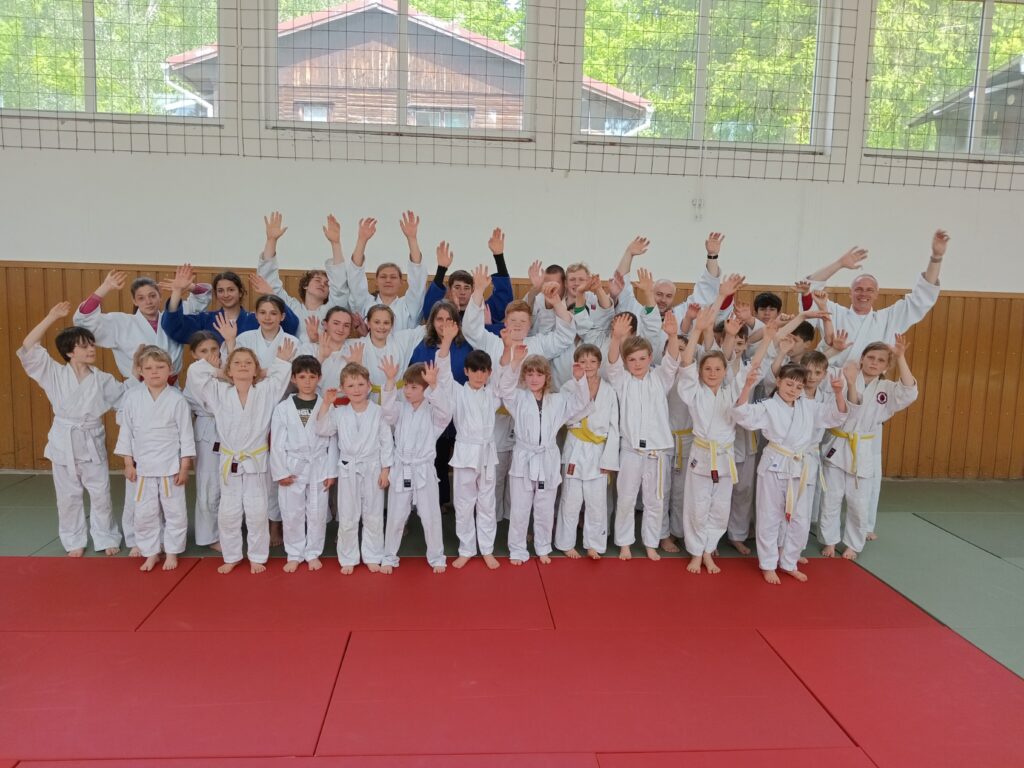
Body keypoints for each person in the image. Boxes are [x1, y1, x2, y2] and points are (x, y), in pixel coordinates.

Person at [185, 316, 295, 574]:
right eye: (237, 363)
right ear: (229, 370)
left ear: (256, 370)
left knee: (257, 511)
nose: (243, 366)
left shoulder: (266, 392)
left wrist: (275, 365)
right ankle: (232, 555)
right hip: (230, 459)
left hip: (256, 460)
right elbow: (194, 373)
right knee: (229, 512)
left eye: (248, 363)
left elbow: (281, 374)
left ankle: (257, 556)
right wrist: (218, 371)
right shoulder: (218, 392)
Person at [17, 302, 127, 556]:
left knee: (100, 493)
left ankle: (106, 536)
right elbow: (28, 345)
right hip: (64, 440)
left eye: (92, 344)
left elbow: (124, 402)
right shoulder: (53, 374)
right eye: (84, 346)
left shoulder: (103, 379)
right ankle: (73, 539)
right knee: (68, 496)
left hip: (91, 439)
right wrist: (51, 316)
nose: (91, 349)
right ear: (69, 352)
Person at [733, 360, 849, 584]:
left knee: (800, 520)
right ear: (778, 381)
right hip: (774, 464)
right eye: (789, 384)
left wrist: (838, 393)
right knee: (769, 517)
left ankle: (789, 562)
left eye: (798, 386)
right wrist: (747, 386)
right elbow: (742, 414)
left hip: (800, 466)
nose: (793, 390)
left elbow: (836, 416)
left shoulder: (809, 406)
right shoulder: (768, 406)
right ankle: (768, 564)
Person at [818, 336, 919, 559]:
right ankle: (830, 541)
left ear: (887, 366)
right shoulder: (843, 375)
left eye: (881, 360)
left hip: (862, 447)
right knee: (831, 497)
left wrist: (901, 357)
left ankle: (853, 543)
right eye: (871, 357)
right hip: (837, 443)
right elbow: (815, 373)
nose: (874, 363)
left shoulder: (887, 389)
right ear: (861, 359)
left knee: (859, 501)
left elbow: (909, 391)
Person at [496, 342, 592, 565]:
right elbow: (504, 389)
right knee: (520, 508)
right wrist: (516, 362)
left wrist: (580, 379)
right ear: (524, 376)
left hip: (547, 458)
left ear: (547, 377)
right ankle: (517, 549)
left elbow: (581, 402)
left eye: (539, 374)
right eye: (529, 374)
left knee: (545, 507)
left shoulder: (558, 401)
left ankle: (542, 547)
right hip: (524, 457)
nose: (534, 378)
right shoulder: (517, 398)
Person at [677, 288, 751, 574]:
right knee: (697, 506)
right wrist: (697, 329)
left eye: (717, 369)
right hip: (701, 455)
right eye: (707, 368)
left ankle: (709, 550)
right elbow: (686, 363)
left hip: (725, 457)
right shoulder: (694, 392)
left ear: (724, 372)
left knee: (720, 507)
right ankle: (696, 552)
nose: (712, 372)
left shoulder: (731, 391)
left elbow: (743, 369)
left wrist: (740, 337)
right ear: (701, 371)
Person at [606, 309, 681, 561]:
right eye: (632, 360)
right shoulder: (622, 381)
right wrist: (616, 338)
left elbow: (672, 362)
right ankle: (625, 543)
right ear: (626, 362)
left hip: (657, 451)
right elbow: (612, 365)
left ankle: (650, 543)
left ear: (650, 357)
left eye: (641, 358)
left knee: (655, 501)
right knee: (626, 499)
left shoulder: (660, 379)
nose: (637, 364)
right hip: (630, 450)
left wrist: (673, 336)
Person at [114, 346, 196, 572]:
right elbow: (126, 432)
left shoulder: (177, 399)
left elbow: (186, 435)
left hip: (171, 467)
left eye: (160, 367)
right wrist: (128, 463)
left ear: (170, 369)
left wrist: (185, 466)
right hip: (143, 467)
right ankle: (150, 552)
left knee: (175, 512)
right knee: (144, 513)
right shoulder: (132, 397)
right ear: (140, 371)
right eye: (148, 368)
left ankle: (171, 551)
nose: (154, 372)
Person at [317, 352, 394, 574]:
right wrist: (326, 403)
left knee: (373, 514)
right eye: (351, 385)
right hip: (348, 468)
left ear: (369, 386)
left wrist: (386, 469)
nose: (357, 389)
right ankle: (348, 556)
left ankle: (373, 555)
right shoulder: (339, 412)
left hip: (372, 467)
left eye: (361, 384)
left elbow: (386, 442)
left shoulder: (378, 412)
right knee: (348, 515)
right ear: (343, 388)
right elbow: (322, 429)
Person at [435, 324, 501, 570]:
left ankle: (487, 549)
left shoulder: (493, 394)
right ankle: (466, 549)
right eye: (474, 370)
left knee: (487, 504)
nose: (479, 375)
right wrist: (447, 341)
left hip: (486, 453)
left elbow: (507, 379)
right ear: (466, 371)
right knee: (464, 504)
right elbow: (443, 372)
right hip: (464, 453)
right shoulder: (456, 392)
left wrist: (508, 350)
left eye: (484, 371)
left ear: (489, 373)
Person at [380, 357, 452, 574]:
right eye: (406, 386)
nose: (407, 392)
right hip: (402, 468)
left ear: (425, 390)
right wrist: (390, 381)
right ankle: (389, 556)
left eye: (414, 388)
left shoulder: (433, 412)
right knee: (395, 516)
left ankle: (437, 556)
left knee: (430, 516)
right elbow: (387, 413)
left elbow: (446, 414)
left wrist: (434, 385)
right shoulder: (400, 409)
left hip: (423, 469)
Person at [73, 269, 211, 380]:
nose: (148, 302)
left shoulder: (174, 317)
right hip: (137, 389)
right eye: (141, 298)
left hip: (171, 391)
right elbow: (85, 321)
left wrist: (189, 287)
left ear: (160, 296)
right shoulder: (120, 323)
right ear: (134, 301)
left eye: (152, 296)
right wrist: (105, 287)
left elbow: (201, 298)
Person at [270, 356, 338, 572]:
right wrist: (280, 471)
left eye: (312, 377)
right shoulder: (283, 408)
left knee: (317, 512)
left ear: (319, 378)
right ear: (293, 379)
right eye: (302, 377)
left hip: (319, 463)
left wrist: (331, 472)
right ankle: (294, 553)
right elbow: (277, 443)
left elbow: (332, 440)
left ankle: (313, 552)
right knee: (292, 512)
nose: (307, 381)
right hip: (292, 464)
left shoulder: (326, 404)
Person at [555, 344, 620, 559]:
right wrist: (583, 394)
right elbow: (566, 417)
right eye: (583, 361)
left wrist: (609, 459)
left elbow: (613, 426)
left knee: (597, 501)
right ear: (576, 364)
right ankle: (566, 542)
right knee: (570, 499)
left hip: (598, 449)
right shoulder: (568, 387)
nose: (588, 365)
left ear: (599, 364)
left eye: (592, 361)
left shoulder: (609, 390)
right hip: (575, 446)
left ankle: (594, 544)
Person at [255, 211, 351, 342]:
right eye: (317, 280)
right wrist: (271, 240)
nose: (322, 284)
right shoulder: (291, 306)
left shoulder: (331, 309)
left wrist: (336, 244)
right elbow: (269, 283)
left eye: (327, 283)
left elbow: (339, 287)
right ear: (306, 285)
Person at [161, 264, 300, 344]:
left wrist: (272, 295)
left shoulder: (255, 320)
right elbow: (174, 328)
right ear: (216, 294)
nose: (226, 294)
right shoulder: (206, 320)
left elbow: (290, 326)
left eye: (231, 290)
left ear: (240, 292)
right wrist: (177, 292)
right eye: (220, 291)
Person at [346, 212, 428, 332]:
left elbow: (418, 282)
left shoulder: (408, 306)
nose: (388, 280)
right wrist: (361, 240)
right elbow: (355, 280)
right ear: (376, 282)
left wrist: (412, 239)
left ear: (401, 282)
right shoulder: (366, 303)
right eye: (383, 277)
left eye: (393, 277)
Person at [420, 228, 513, 328]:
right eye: (457, 287)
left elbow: (504, 298)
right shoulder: (442, 312)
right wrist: (441, 269)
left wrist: (499, 256)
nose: (462, 292)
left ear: (473, 290)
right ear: (449, 290)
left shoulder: (483, 310)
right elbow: (429, 311)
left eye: (466, 288)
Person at [183, 331, 223, 551]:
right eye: (204, 351)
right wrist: (220, 372)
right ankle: (209, 535)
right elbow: (213, 401)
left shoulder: (224, 368)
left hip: (229, 429)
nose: (210, 354)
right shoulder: (195, 370)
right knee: (209, 483)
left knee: (228, 482)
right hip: (207, 430)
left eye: (214, 349)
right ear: (194, 354)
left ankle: (227, 529)